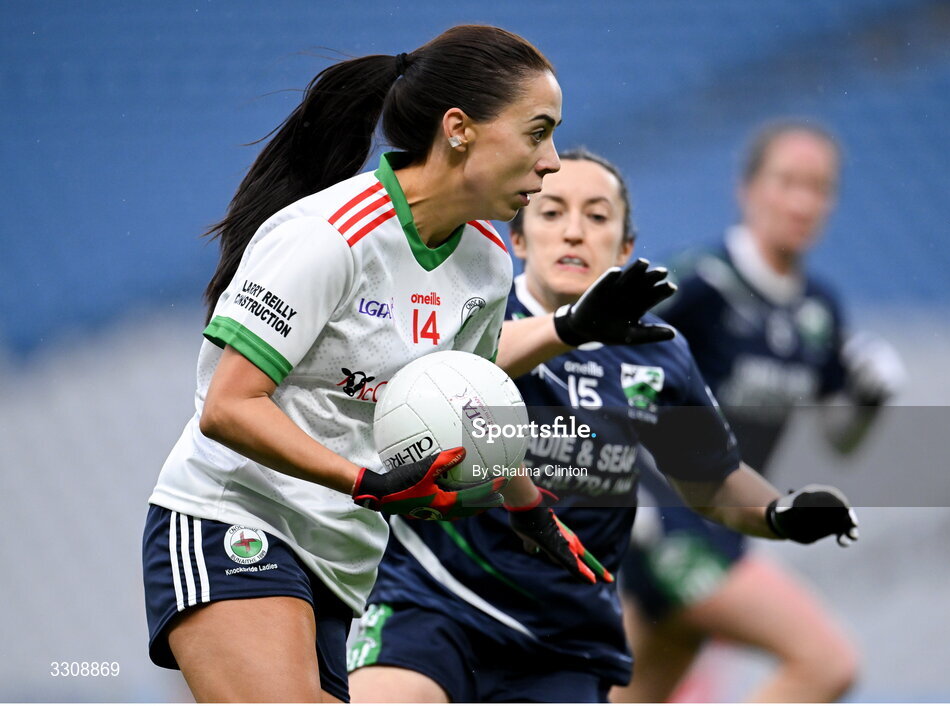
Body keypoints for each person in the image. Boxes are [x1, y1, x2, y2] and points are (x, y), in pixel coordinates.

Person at [142, 26, 675, 703]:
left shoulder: (484, 257)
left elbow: (471, 397)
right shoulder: (330, 237)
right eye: (537, 132)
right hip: (232, 517)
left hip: (341, 556)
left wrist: (527, 508)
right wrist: (363, 480)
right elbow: (227, 407)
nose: (551, 161)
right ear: (459, 130)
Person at [346, 149, 859, 703]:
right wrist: (566, 326)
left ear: (625, 247)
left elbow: (712, 482)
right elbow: (453, 368)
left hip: (564, 643)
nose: (574, 232)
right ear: (518, 240)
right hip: (432, 604)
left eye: (597, 216)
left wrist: (778, 514)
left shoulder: (656, 354)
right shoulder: (471, 310)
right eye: (551, 213)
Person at [613, 122, 905, 703]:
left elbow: (840, 439)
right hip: (667, 524)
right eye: (787, 182)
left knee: (632, 696)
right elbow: (605, 364)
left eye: (818, 187)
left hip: (726, 530)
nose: (802, 201)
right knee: (827, 663)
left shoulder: (817, 310)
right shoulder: (700, 280)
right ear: (747, 189)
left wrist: (870, 401)